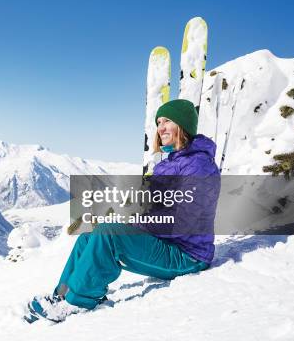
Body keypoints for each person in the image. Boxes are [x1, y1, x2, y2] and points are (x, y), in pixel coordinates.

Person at [25, 99, 221, 323]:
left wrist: (137, 223)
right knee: (88, 239)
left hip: (187, 254)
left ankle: (77, 302)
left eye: (168, 121)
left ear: (183, 125)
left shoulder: (198, 165)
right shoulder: (168, 163)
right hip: (166, 243)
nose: (161, 128)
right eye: (159, 122)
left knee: (109, 234)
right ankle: (61, 296)